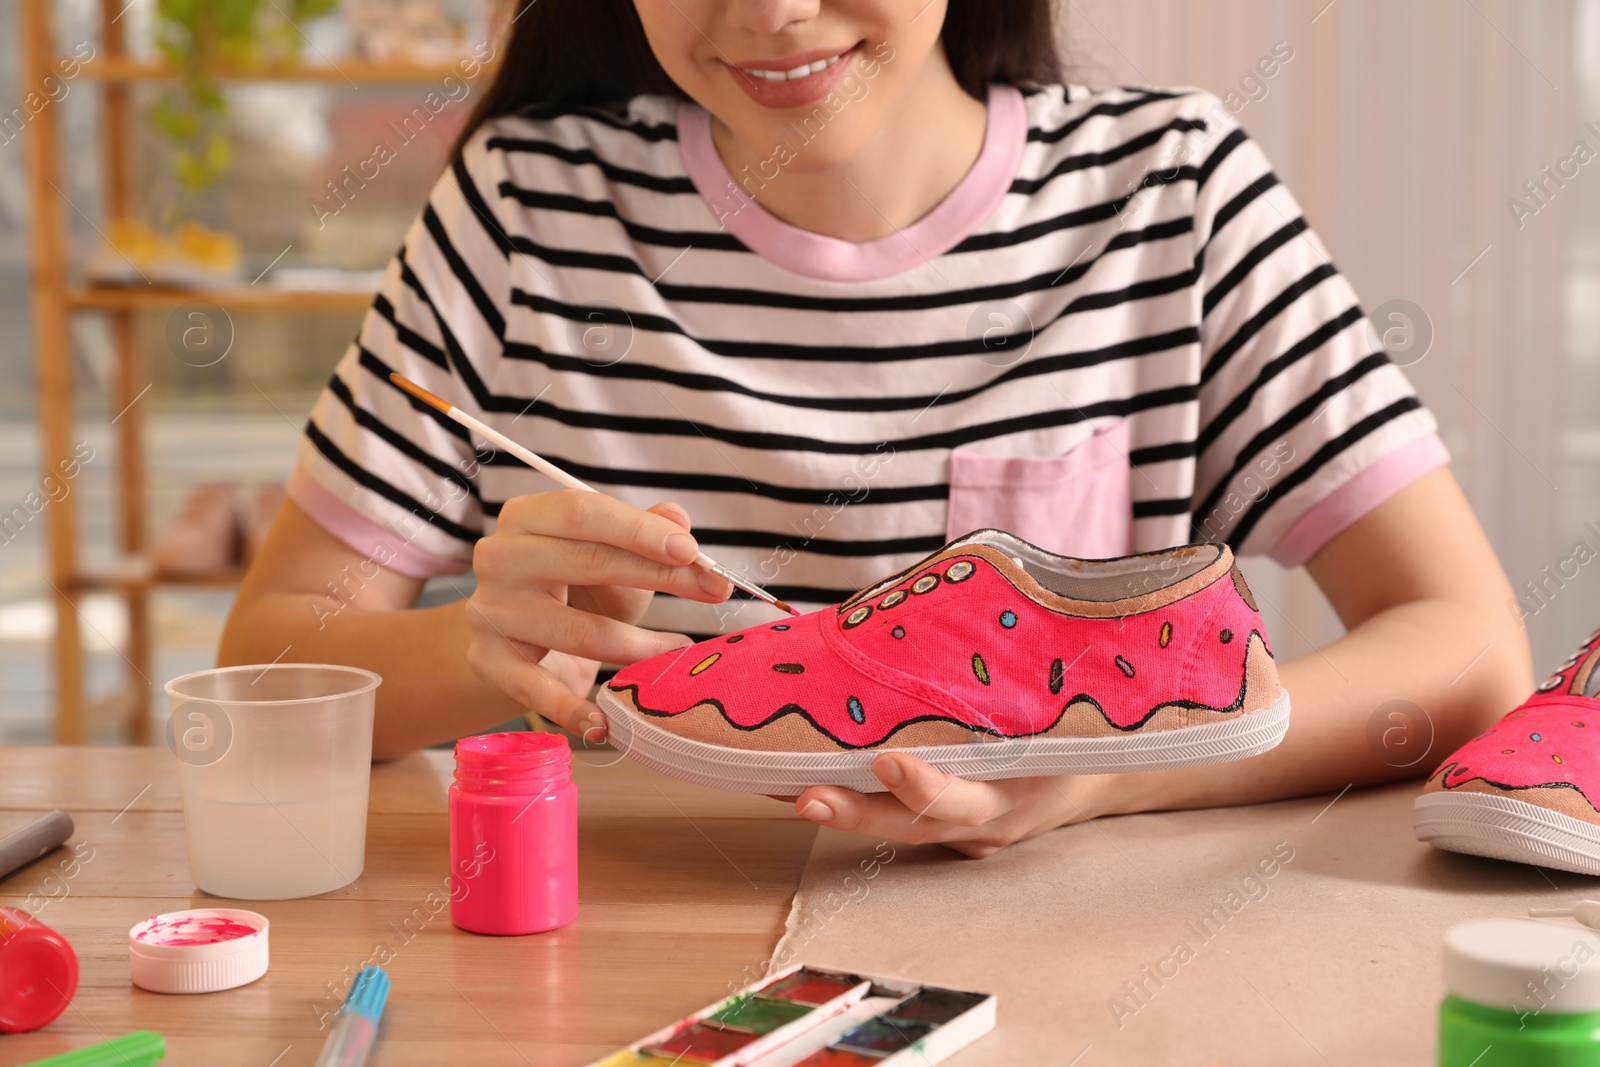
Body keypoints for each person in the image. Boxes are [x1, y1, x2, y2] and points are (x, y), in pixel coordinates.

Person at [221, 0, 1530, 856]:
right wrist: (480, 654)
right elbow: (271, 661)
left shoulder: (1172, 193)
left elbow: (1470, 652)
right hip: (610, 954)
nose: (773, 12)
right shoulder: (522, 212)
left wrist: (1101, 779)